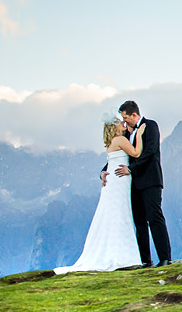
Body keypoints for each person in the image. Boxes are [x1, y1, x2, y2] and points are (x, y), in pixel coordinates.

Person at [55, 116, 147, 274]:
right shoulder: (120, 140)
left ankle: (119, 255)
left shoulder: (111, 142)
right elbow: (136, 153)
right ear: (115, 127)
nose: (123, 123)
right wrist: (139, 135)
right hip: (120, 180)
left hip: (113, 180)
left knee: (113, 214)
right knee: (121, 214)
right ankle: (124, 256)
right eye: (120, 122)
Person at [102, 100, 172, 268]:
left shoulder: (150, 126)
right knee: (139, 222)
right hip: (133, 184)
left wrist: (131, 169)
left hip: (150, 181)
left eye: (126, 118)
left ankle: (165, 258)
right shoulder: (127, 134)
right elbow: (119, 156)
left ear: (134, 114)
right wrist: (104, 170)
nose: (124, 122)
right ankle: (145, 260)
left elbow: (150, 151)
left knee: (155, 218)